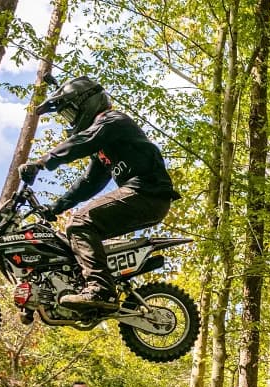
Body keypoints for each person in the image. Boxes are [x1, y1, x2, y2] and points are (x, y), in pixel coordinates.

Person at [18, 76, 180, 311]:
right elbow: (89, 183)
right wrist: (55, 208)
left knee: (80, 222)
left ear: (87, 102)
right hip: (145, 197)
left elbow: (83, 140)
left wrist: (43, 162)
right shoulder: (105, 145)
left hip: (147, 192)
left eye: (71, 112)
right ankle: (85, 287)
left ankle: (101, 289)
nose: (71, 120)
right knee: (76, 233)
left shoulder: (113, 121)